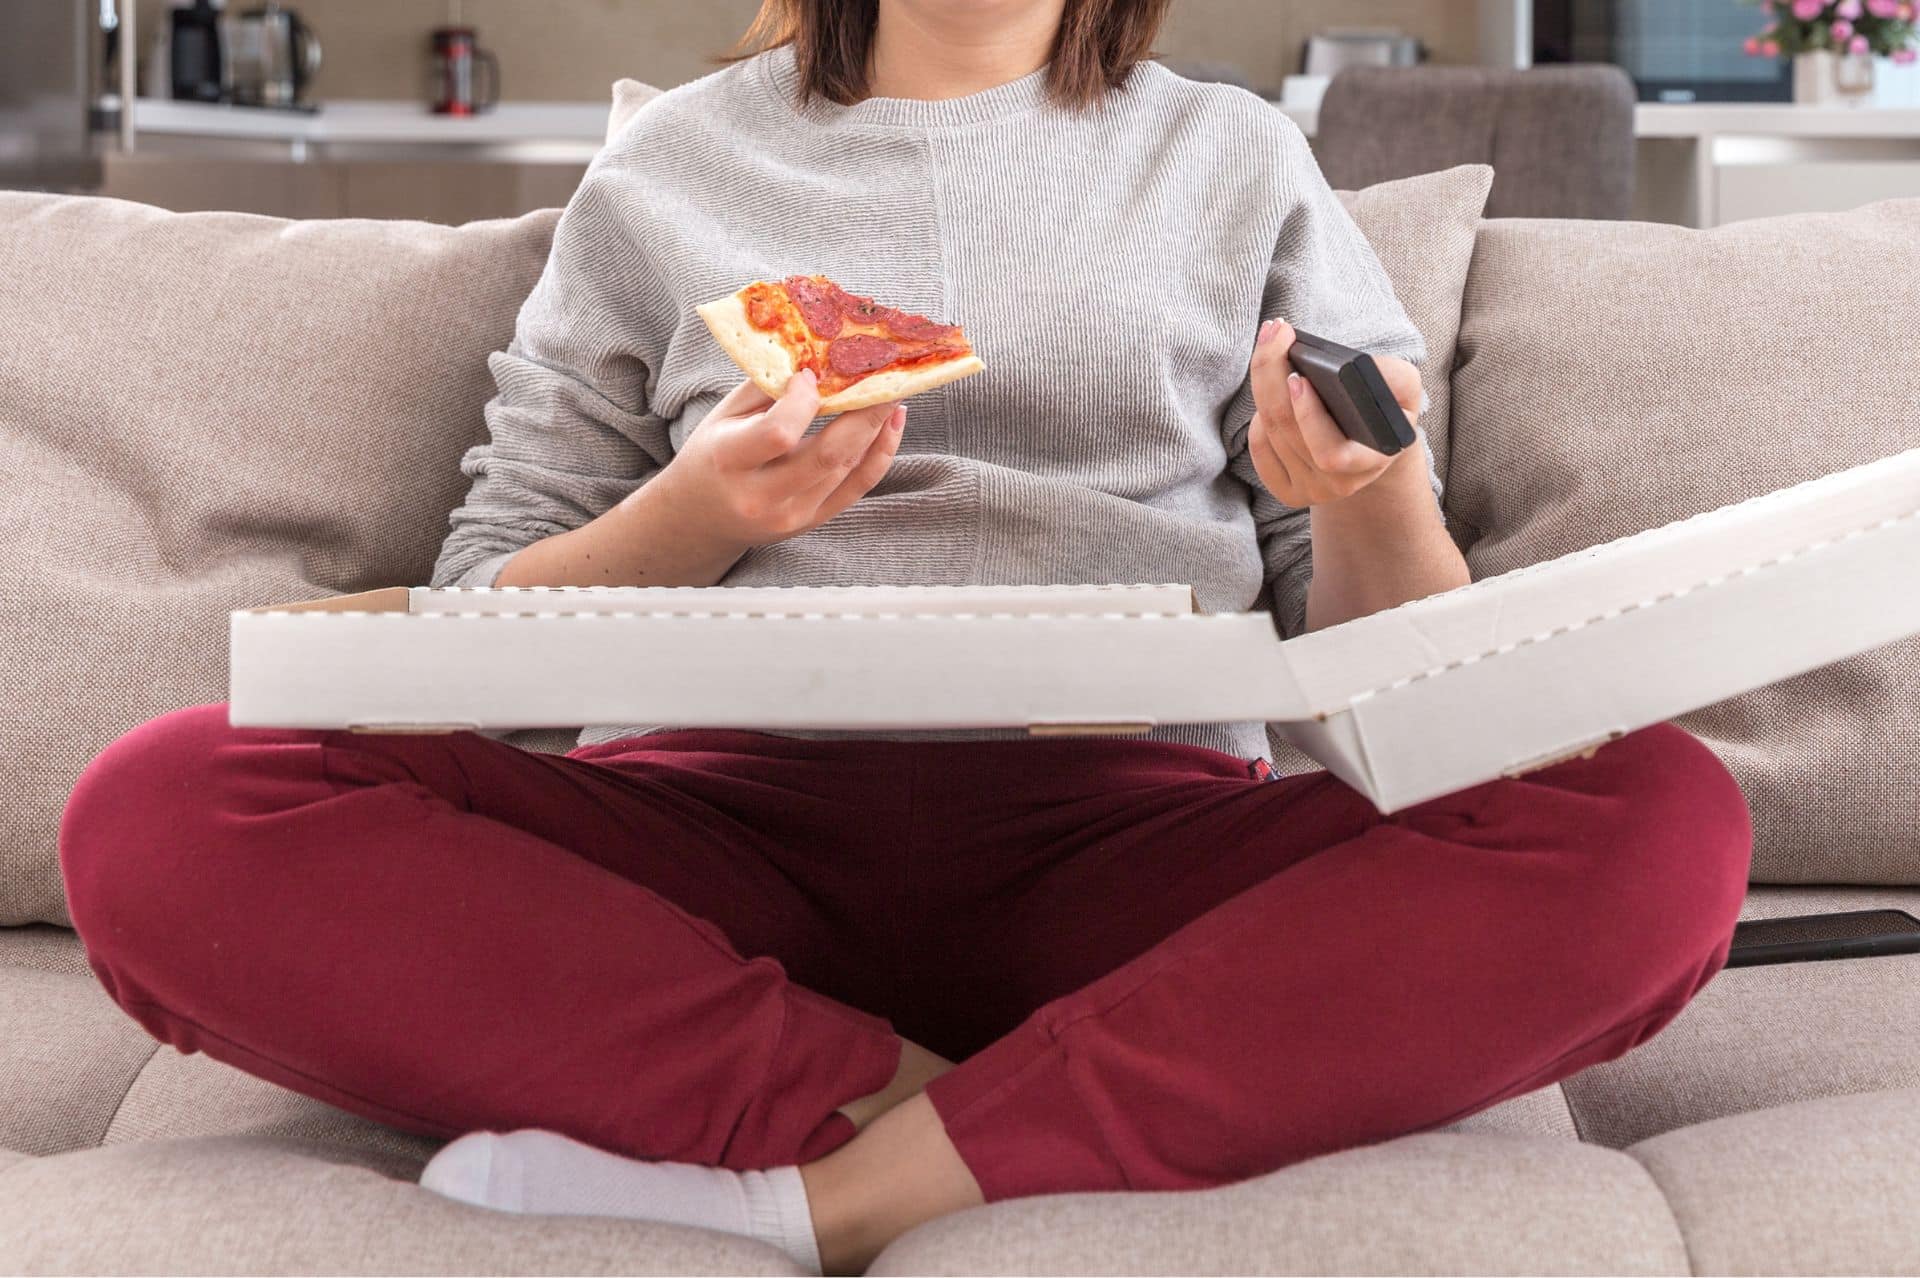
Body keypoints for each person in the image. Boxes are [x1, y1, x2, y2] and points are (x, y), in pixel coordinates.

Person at [58, 1, 1753, 1273]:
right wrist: (702, 518)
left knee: (1667, 821)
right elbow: (484, 644)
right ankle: (1035, 1110)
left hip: (1138, 843)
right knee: (159, 808)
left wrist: (1367, 488)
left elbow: (1402, 687)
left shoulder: (1234, 160)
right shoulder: (667, 170)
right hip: (704, 840)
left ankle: (845, 1185)